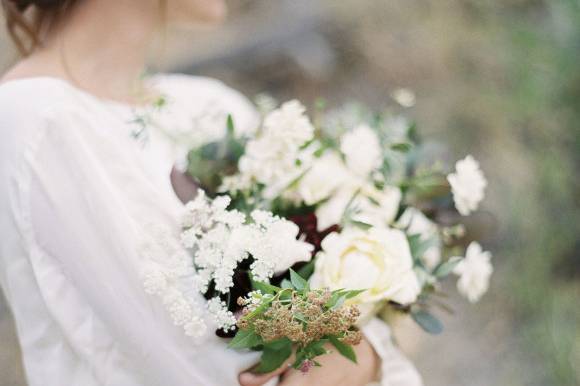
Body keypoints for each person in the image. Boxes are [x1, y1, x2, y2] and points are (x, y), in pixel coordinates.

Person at [0, 1, 423, 385]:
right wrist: (347, 353)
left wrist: (357, 351)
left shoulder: (210, 106)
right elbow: (203, 372)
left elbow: (375, 357)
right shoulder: (37, 120)